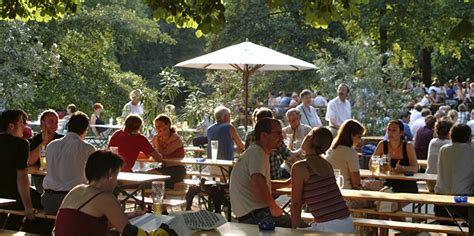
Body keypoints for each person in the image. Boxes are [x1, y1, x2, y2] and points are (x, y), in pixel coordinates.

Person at [54, 150, 176, 236]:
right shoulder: (104, 197)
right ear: (110, 173)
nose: (117, 181)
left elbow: (87, 222)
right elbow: (130, 232)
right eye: (117, 175)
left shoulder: (76, 190)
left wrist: (130, 215)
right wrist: (164, 231)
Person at [290, 127, 354, 233]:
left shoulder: (300, 167)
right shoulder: (327, 164)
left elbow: (296, 204)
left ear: (310, 138)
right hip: (346, 222)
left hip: (329, 226)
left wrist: (293, 231)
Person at [229, 118, 291, 227]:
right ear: (264, 136)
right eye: (278, 133)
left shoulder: (256, 151)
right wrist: (274, 207)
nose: (282, 137)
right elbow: (257, 183)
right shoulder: (257, 152)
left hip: (251, 216)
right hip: (256, 217)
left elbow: (263, 182)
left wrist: (287, 183)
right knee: (302, 228)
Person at [42, 112, 96, 215]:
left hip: (49, 200)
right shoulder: (87, 148)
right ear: (85, 129)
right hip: (73, 201)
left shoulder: (52, 145)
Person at [0, 110, 42, 229]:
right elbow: (22, 176)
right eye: (22, 122)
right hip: (12, 192)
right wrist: (28, 207)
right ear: (11, 126)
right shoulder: (21, 144)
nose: (25, 125)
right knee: (44, 206)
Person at [434, 124, 474, 226]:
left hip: (441, 203)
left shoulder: (443, 149)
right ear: (469, 138)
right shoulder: (471, 150)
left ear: (450, 136)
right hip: (463, 204)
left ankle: (454, 232)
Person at [372, 120, 419, 193]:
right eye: (389, 130)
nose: (390, 133)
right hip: (388, 182)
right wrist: (382, 166)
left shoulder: (408, 146)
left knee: (387, 197)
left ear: (401, 133)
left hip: (406, 183)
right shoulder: (382, 145)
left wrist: (402, 168)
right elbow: (371, 164)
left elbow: (415, 168)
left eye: (394, 130)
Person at [27, 109, 64, 194]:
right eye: (50, 122)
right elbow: (30, 161)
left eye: (56, 122)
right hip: (41, 179)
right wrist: (44, 142)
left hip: (60, 177)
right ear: (42, 123)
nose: (54, 125)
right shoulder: (34, 141)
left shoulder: (62, 139)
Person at [148, 114, 186, 189]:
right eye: (156, 126)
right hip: (164, 168)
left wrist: (157, 139)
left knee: (152, 178)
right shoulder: (156, 138)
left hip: (177, 169)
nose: (157, 128)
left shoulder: (176, 139)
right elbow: (151, 152)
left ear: (168, 125)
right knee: (147, 175)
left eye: (160, 126)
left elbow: (161, 154)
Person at [326, 119, 366, 190]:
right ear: (352, 135)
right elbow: (356, 184)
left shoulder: (331, 150)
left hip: (330, 192)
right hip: (347, 194)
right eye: (359, 137)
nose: (360, 140)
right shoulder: (351, 153)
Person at [425, 120, 453, 192]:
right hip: (444, 184)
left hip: (430, 182)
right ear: (450, 132)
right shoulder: (451, 145)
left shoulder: (432, 142)